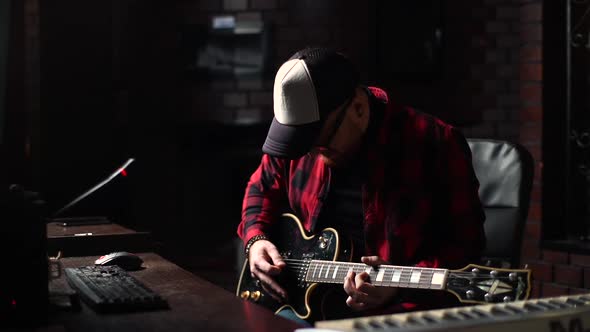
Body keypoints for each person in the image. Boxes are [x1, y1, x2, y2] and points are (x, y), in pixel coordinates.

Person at [236, 47, 486, 325]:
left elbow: (465, 246)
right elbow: (261, 188)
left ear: (357, 107)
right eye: (304, 147)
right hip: (303, 306)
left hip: (399, 312)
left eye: (321, 143)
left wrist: (398, 284)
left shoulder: (437, 144)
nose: (314, 156)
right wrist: (256, 241)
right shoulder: (298, 144)